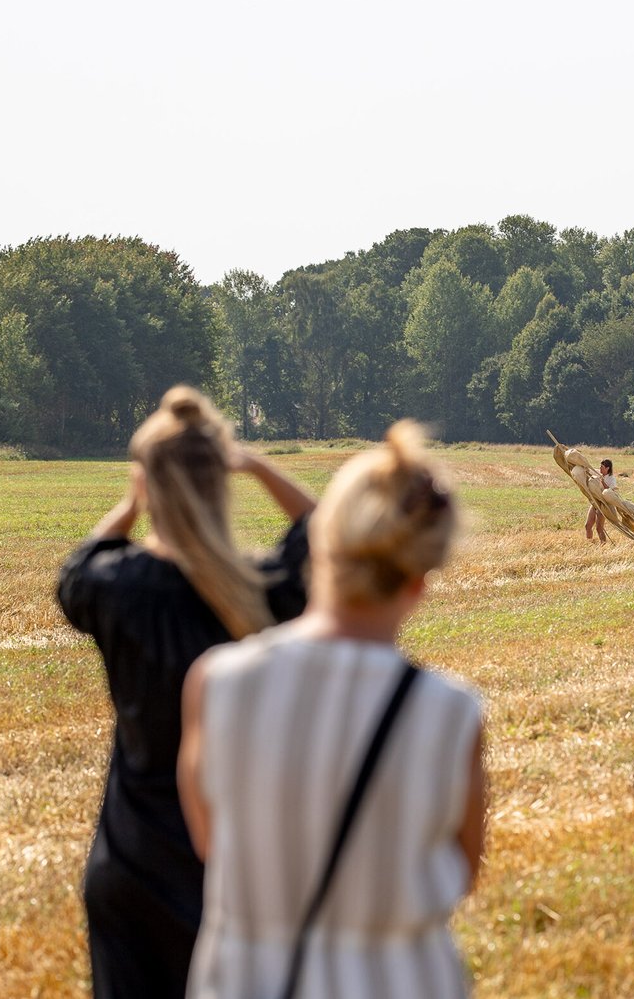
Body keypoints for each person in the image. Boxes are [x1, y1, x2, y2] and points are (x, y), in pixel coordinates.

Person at [178, 420, 485, 999]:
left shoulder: (219, 683)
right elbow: (464, 869)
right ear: (420, 580)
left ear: (319, 544)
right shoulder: (451, 711)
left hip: (248, 979)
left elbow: (208, 840)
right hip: (400, 979)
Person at [56, 385, 316, 999]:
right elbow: (323, 532)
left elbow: (78, 567)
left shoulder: (119, 588)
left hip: (132, 859)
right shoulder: (261, 590)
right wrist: (255, 465)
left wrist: (131, 502)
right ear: (221, 482)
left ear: (150, 485)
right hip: (234, 866)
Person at [585, 458, 617, 543]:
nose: (600, 468)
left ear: (607, 468)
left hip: (603, 505)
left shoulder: (611, 479)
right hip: (595, 502)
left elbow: (611, 492)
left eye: (602, 467)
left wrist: (603, 482)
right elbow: (588, 469)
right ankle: (589, 543)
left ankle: (603, 545)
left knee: (599, 528)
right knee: (588, 526)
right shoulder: (598, 473)